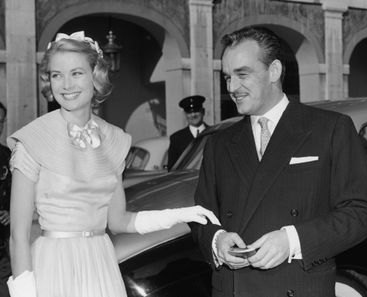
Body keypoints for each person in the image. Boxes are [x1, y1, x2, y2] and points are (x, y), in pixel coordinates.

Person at [6, 31, 220, 297]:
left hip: (101, 263)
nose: (65, 84)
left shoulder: (114, 139)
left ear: (95, 76)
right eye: (56, 74)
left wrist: (180, 214)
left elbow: (120, 222)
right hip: (53, 266)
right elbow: (18, 235)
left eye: (76, 73)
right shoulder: (33, 139)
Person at [190, 26, 367, 297]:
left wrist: (292, 240)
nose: (232, 87)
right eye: (227, 77)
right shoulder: (219, 143)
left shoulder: (329, 128)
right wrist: (216, 240)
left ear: (275, 71)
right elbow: (201, 216)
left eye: (242, 74)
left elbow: (361, 212)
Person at [167, 95, 209, 169]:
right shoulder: (176, 139)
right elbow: (172, 169)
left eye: (196, 111)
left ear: (203, 111)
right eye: (189, 112)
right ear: (185, 114)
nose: (193, 115)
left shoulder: (214, 134)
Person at [0, 102, 11, 297]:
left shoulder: (7, 155)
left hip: (2, 246)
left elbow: (18, 196)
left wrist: (12, 212)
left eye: (0, 121)